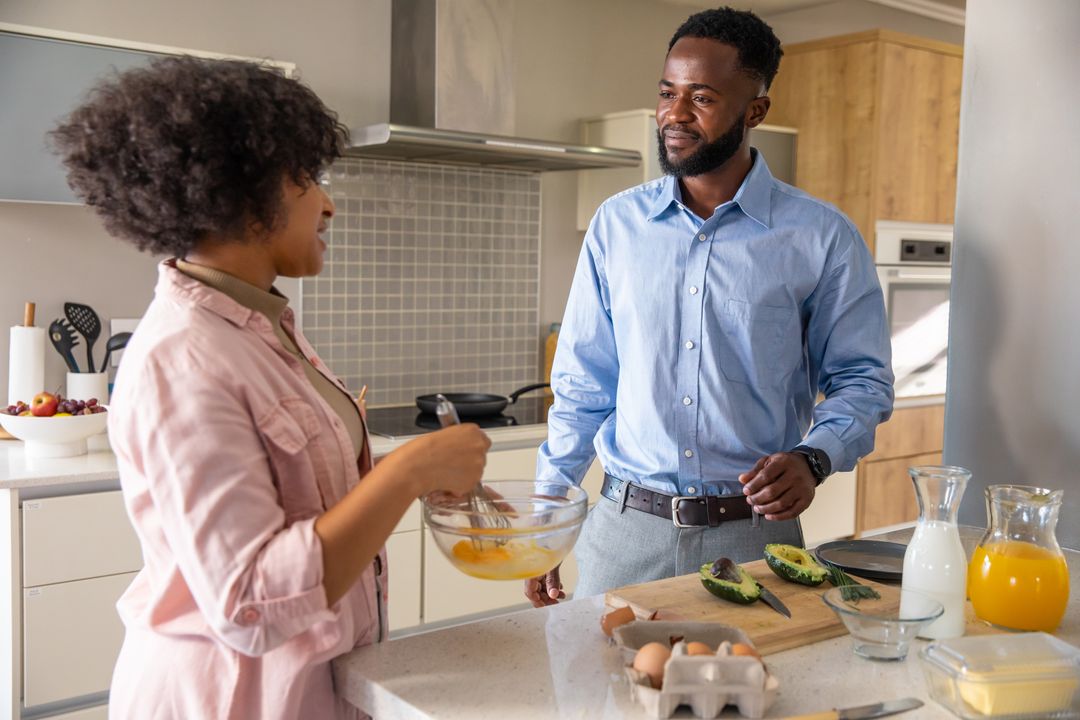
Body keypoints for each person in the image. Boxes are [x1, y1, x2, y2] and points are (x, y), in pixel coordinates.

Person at [50, 56, 491, 719]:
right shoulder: (184, 360)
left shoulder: (261, 323)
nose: (329, 202)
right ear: (242, 192)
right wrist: (403, 473)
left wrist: (408, 478)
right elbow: (248, 601)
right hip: (226, 699)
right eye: (307, 178)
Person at [526, 7, 893, 606]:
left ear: (755, 111)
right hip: (622, 534)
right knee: (602, 699)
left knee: (761, 696)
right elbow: (583, 385)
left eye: (701, 98)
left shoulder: (822, 237)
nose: (674, 115)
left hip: (757, 538)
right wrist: (546, 521)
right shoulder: (617, 225)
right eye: (668, 93)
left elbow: (862, 379)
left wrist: (815, 458)